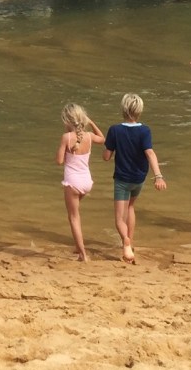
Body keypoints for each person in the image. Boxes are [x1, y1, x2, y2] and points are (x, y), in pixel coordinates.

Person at [102, 93, 167, 263]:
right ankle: (130, 240)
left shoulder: (115, 130)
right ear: (140, 110)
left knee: (118, 219)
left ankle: (126, 242)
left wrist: (108, 147)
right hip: (139, 178)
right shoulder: (144, 130)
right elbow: (150, 153)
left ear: (123, 108)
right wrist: (158, 176)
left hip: (122, 179)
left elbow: (106, 157)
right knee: (131, 207)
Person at [55, 103, 106, 262]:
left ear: (66, 121)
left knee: (73, 217)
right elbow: (103, 138)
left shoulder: (66, 138)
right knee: (76, 214)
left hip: (72, 183)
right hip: (86, 182)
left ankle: (83, 254)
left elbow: (59, 161)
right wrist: (91, 123)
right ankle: (78, 246)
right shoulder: (89, 136)